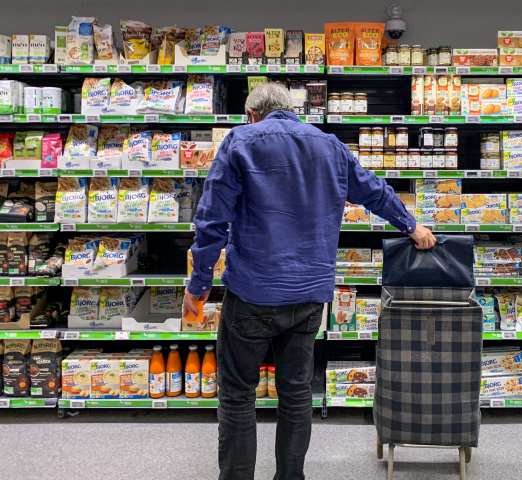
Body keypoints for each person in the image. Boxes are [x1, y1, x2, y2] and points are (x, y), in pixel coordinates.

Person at [184, 82, 436, 480]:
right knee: (297, 393)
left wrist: (197, 287)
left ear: (252, 115)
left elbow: (212, 223)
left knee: (237, 395)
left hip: (252, 292)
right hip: (309, 296)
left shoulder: (240, 141)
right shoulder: (329, 144)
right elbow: (374, 190)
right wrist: (411, 224)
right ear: (291, 110)